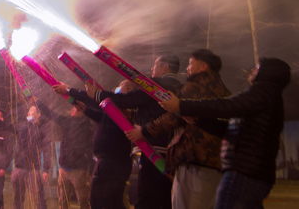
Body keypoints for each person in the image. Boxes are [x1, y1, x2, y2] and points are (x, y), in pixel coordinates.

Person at [160, 57, 292, 209]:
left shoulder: (264, 91)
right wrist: (199, 121)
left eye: (257, 67)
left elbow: (228, 105)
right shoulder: (269, 96)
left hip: (243, 174)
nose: (253, 70)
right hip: (252, 174)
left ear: (269, 72)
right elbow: (230, 130)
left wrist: (181, 105)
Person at [127, 49, 231, 209]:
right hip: (215, 163)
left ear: (203, 66)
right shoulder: (224, 92)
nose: (187, 68)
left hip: (193, 160)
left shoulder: (195, 87)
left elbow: (173, 117)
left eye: (191, 64)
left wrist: (144, 131)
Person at [87, 53, 183, 209]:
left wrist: (97, 94)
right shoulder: (179, 87)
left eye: (156, 64)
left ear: (165, 67)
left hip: (153, 150)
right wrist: (133, 115)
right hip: (170, 151)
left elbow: (128, 99)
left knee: (147, 199)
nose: (152, 68)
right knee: (162, 199)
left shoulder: (157, 85)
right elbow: (155, 111)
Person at [54, 80, 134, 209]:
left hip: (114, 163)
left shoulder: (126, 107)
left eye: (122, 86)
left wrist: (69, 90)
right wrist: (86, 110)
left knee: (110, 201)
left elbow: (95, 100)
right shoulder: (114, 111)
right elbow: (102, 117)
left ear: (130, 91)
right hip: (105, 162)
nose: (117, 88)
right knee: (97, 200)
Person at [37, 100, 94, 209]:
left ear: (81, 111)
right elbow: (50, 113)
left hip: (79, 171)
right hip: (64, 170)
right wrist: (37, 102)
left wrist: (90, 171)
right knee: (65, 201)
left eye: (75, 109)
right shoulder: (69, 122)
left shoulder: (85, 127)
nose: (72, 110)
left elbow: (90, 150)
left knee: (82, 202)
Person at [13, 103, 52, 209]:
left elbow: (47, 151)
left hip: (33, 170)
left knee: (39, 199)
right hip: (19, 168)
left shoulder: (41, 130)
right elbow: (9, 128)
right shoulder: (22, 128)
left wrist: (45, 170)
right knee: (18, 199)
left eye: (31, 111)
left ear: (38, 115)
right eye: (28, 111)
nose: (28, 112)